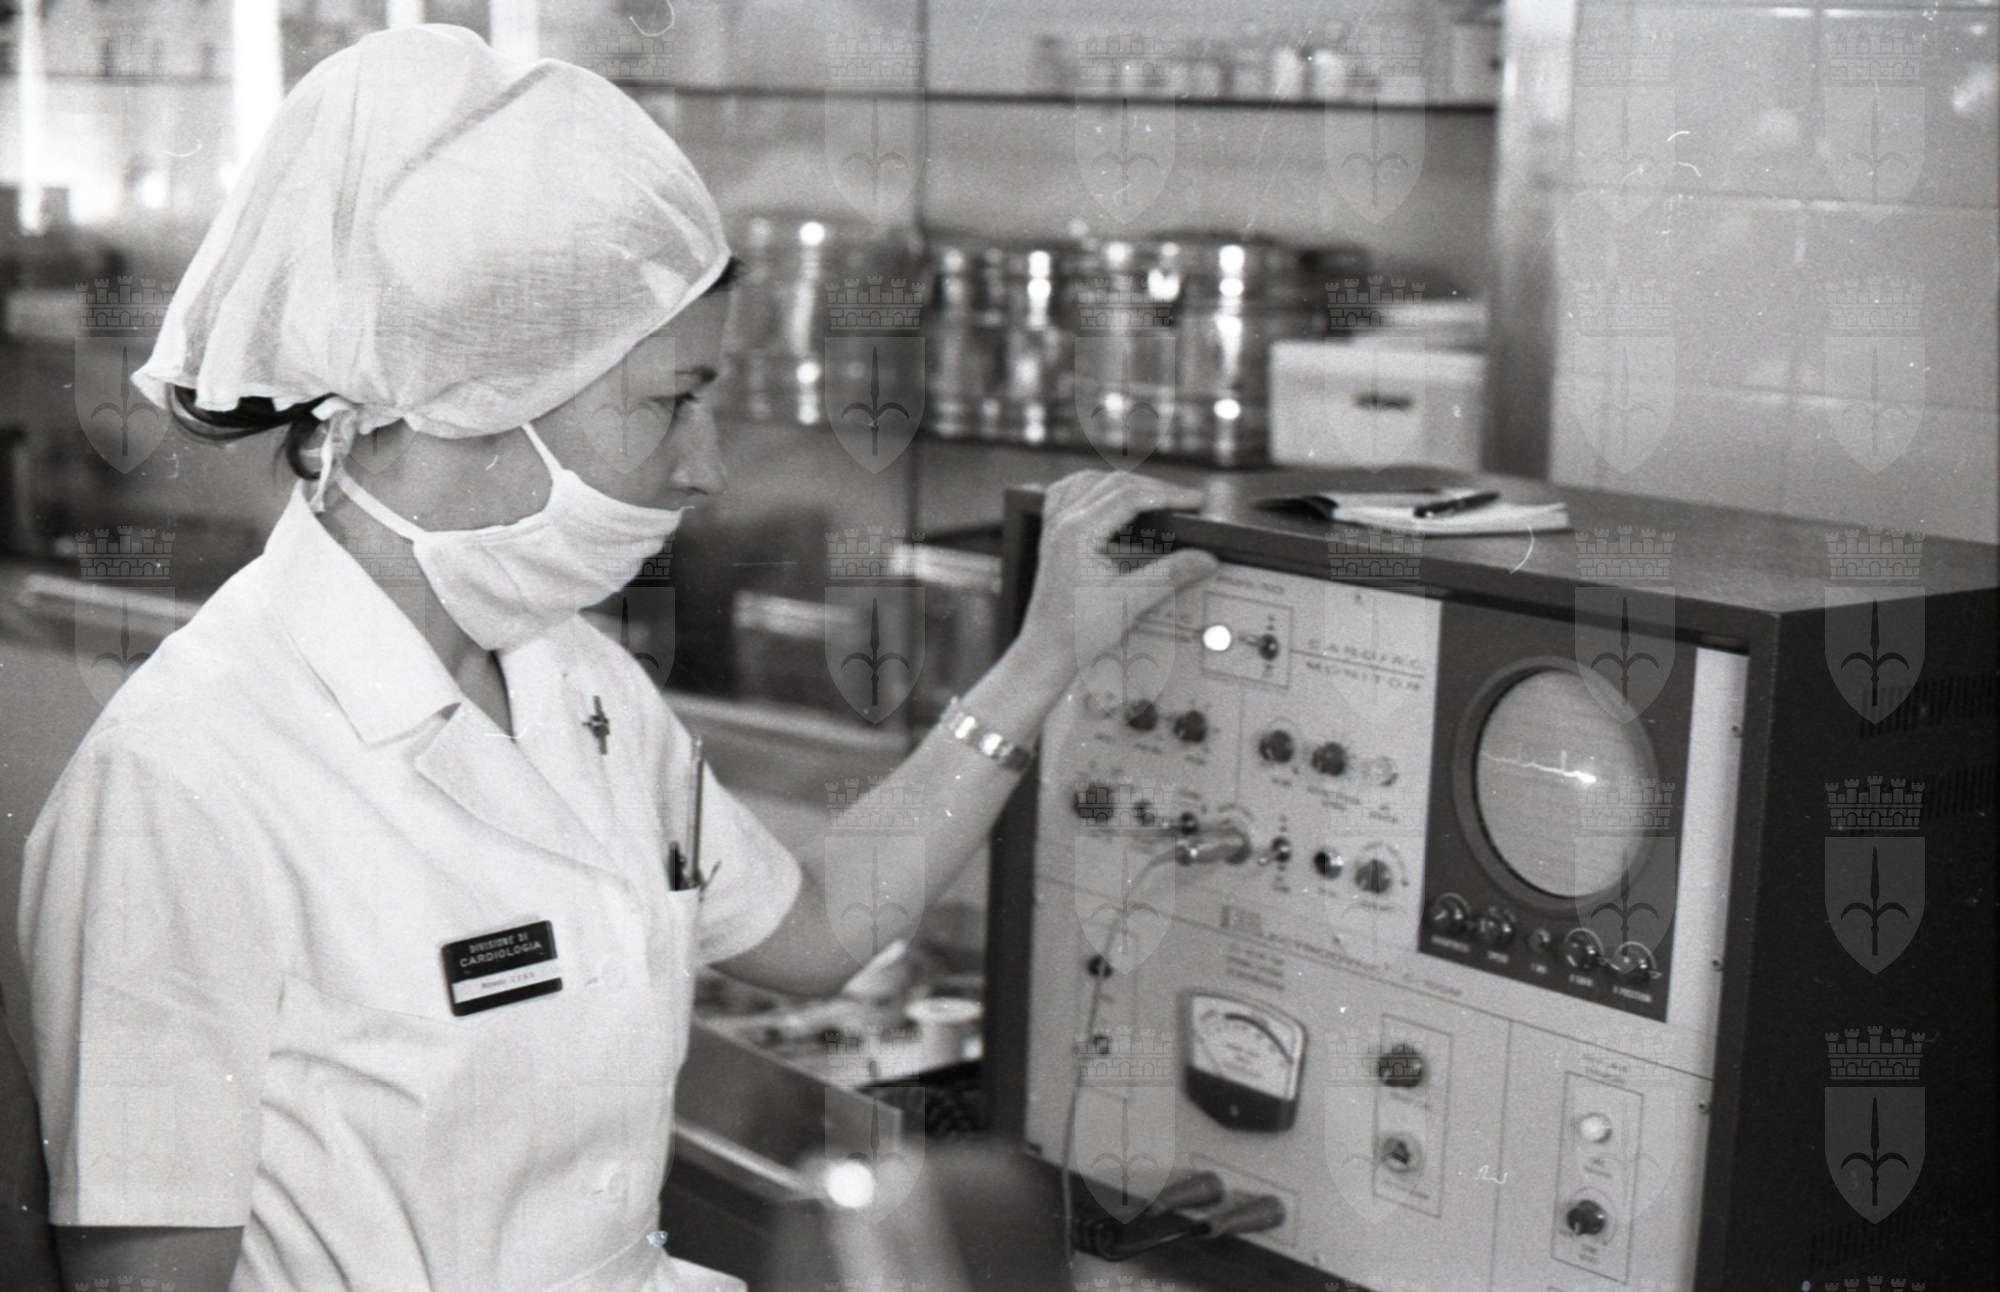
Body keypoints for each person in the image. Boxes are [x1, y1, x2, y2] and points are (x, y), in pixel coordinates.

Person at [3, 24, 1215, 1292]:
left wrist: (1040, 658)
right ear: (477, 400)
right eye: (670, 399)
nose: (705, 463)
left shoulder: (572, 677)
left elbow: (810, 930)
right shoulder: (185, 779)